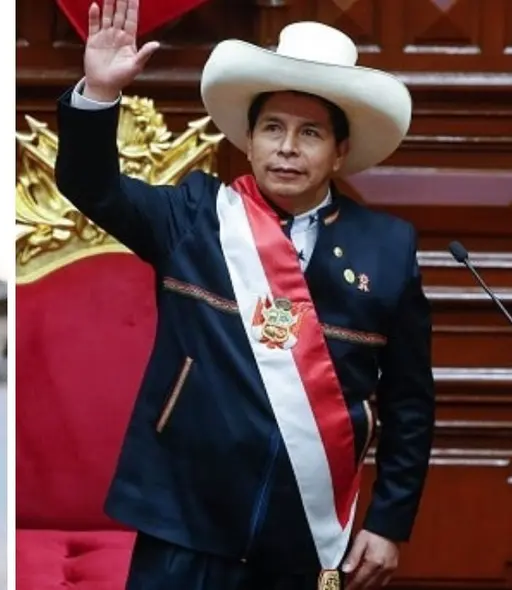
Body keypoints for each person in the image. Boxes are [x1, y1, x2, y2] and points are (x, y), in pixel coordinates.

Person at [54, 2, 435, 589]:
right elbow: (91, 185)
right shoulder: (196, 216)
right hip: (181, 519)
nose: (287, 148)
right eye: (273, 128)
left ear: (338, 152)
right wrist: (100, 90)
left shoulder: (386, 248)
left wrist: (389, 523)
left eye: (310, 133)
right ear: (249, 141)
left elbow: (409, 403)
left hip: (305, 533)